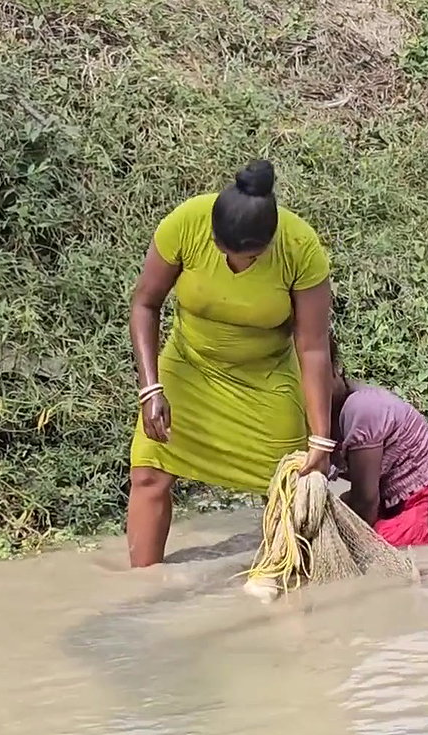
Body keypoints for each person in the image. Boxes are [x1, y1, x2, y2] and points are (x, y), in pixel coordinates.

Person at [127, 159, 335, 568]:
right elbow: (145, 304)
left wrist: (321, 438)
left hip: (267, 377)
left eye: (251, 256)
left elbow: (312, 346)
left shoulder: (300, 248)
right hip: (189, 367)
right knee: (149, 473)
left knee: (287, 488)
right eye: (225, 252)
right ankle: (141, 592)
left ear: (270, 241)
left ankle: (286, 592)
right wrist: (151, 389)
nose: (236, 263)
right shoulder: (186, 223)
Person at [330, 341, 428, 547]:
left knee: (366, 547)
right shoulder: (318, 419)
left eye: (316, 376)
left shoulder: (361, 407)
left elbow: (366, 503)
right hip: (409, 501)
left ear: (337, 370)